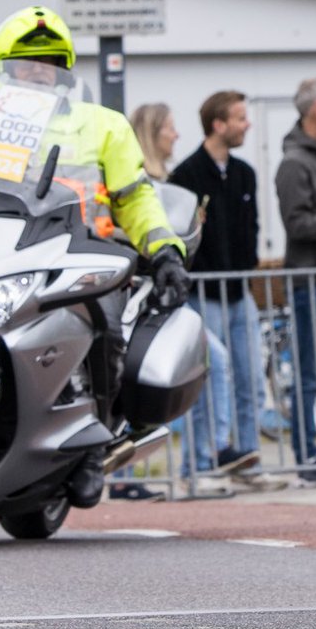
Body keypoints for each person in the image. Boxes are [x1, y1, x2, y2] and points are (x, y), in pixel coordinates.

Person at [0, 7, 190, 509]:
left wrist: (164, 249)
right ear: (3, 72)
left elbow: (135, 196)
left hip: (80, 251)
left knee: (105, 330)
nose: (38, 73)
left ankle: (90, 448)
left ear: (65, 71)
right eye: (26, 64)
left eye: (49, 64)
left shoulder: (102, 124)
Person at [130, 102, 238, 492]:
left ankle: (203, 459)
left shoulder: (168, 180)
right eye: (170, 128)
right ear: (152, 132)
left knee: (208, 361)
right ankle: (193, 460)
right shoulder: (137, 180)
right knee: (135, 374)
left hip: (165, 294)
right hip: (142, 295)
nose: (176, 135)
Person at [170, 91, 266, 481]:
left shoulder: (245, 173)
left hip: (239, 290)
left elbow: (252, 225)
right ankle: (205, 456)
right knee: (213, 374)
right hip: (206, 293)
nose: (247, 125)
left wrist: (247, 268)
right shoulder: (187, 175)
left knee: (251, 376)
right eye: (241, 119)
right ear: (218, 124)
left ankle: (248, 454)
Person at [275, 76, 316, 485]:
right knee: (310, 375)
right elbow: (296, 223)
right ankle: (308, 457)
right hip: (312, 281)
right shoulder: (294, 162)